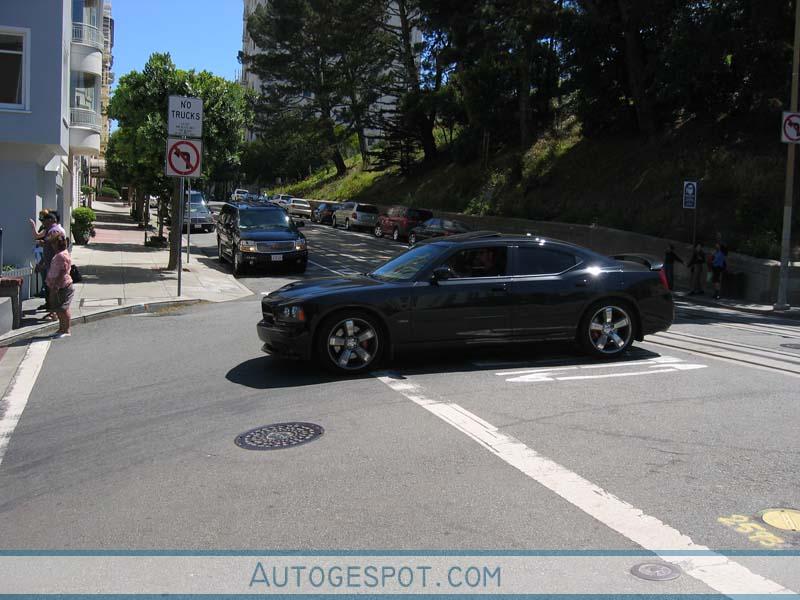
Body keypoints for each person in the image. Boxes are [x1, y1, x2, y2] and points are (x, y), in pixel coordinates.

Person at [45, 235, 73, 338]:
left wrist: (55, 286)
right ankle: (61, 329)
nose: (52, 246)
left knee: (63, 309)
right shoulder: (60, 254)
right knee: (59, 309)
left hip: (62, 286)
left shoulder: (61, 256)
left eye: (53, 243)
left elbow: (62, 271)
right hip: (58, 285)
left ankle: (66, 330)